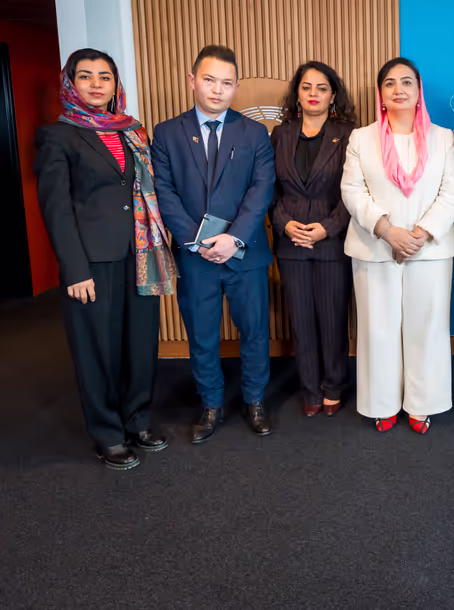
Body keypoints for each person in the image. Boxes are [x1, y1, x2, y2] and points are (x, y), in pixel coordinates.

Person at [34, 48, 176, 470]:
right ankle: (108, 433)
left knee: (140, 344)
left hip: (141, 253)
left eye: (105, 76)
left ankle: (138, 421)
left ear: (116, 85)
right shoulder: (57, 136)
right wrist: (74, 269)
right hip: (92, 261)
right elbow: (56, 208)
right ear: (70, 84)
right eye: (86, 76)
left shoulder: (134, 131)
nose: (96, 84)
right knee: (97, 350)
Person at [152, 45, 276, 443]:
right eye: (209, 80)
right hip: (195, 256)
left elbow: (262, 189)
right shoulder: (167, 132)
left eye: (226, 83)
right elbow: (164, 192)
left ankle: (255, 400)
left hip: (245, 252)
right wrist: (198, 240)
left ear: (236, 86)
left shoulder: (254, 132)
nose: (217, 90)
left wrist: (233, 237)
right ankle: (211, 404)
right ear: (192, 80)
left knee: (255, 331)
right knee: (201, 334)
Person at [341, 57, 454, 434]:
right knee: (378, 328)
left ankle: (422, 404)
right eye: (390, 83)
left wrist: (420, 233)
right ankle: (382, 403)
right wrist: (386, 229)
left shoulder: (444, 137)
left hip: (430, 249)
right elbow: (352, 190)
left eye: (407, 82)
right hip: (374, 247)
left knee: (426, 326)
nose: (399, 89)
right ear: (381, 93)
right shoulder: (361, 137)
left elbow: (451, 192)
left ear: (418, 90)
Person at [270, 62, 356, 419]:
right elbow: (268, 191)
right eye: (307, 87)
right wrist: (285, 224)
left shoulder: (350, 134)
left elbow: (355, 192)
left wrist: (327, 227)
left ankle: (333, 386)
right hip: (291, 243)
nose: (313, 94)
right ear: (297, 94)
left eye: (322, 88)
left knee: (333, 319)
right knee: (301, 320)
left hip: (331, 242)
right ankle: (310, 388)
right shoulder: (280, 134)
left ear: (333, 95)